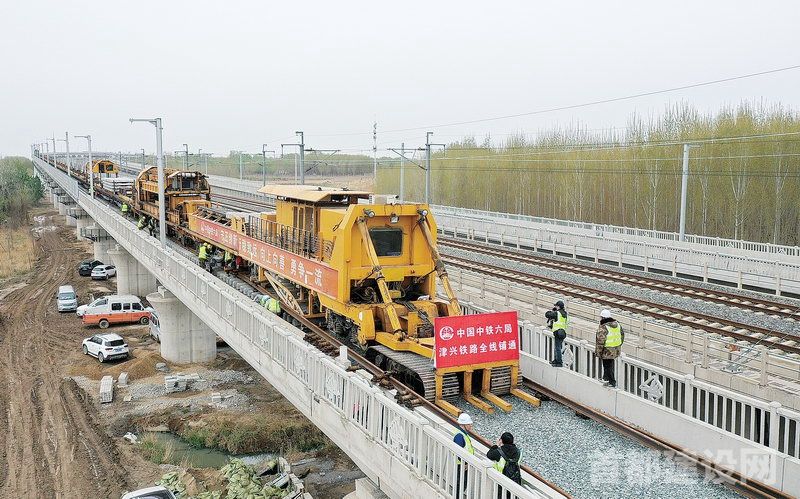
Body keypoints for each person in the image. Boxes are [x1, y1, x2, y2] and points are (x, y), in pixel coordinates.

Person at [596, 309, 624, 388]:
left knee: (607, 365)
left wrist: (599, 352)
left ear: (603, 317)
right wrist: (618, 345)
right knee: (610, 364)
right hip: (615, 349)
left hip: (607, 350)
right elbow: (622, 335)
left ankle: (612, 381)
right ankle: (606, 378)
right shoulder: (617, 324)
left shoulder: (604, 326)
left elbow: (600, 341)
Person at [453, 412, 474, 496]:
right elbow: (458, 451)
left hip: (463, 465)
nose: (471, 426)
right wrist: (464, 463)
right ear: (464, 424)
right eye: (469, 424)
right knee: (460, 485)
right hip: (462, 465)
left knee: (462, 485)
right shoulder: (459, 435)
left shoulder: (462, 434)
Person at [544, 300, 568, 367]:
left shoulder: (557, 313)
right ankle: (556, 360)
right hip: (563, 332)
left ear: (558, 306)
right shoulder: (565, 314)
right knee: (558, 347)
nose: (555, 307)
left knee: (557, 348)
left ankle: (559, 362)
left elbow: (547, 314)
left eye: (556, 306)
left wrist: (552, 311)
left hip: (557, 332)